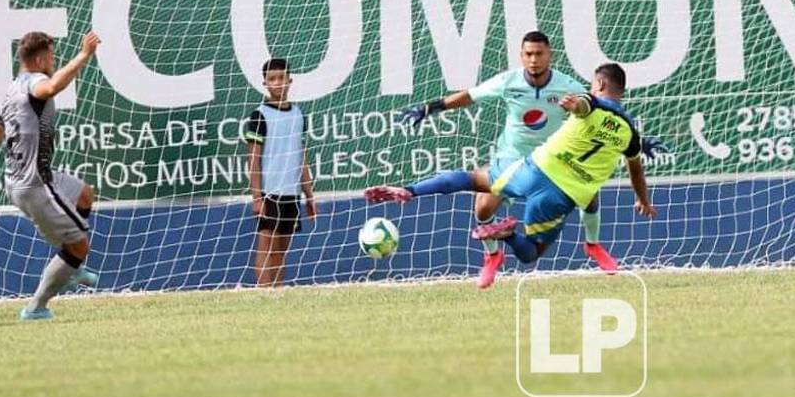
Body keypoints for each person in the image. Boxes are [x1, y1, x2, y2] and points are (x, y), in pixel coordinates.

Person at [366, 63, 656, 282]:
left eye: (594, 84)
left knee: (470, 179)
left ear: (600, 83)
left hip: (535, 169)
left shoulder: (590, 100)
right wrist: (642, 200)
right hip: (561, 195)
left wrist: (578, 104)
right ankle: (506, 236)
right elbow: (636, 170)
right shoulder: (630, 131)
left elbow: (586, 105)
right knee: (530, 253)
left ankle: (411, 190)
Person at [0, 32, 103, 320]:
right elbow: (52, 87)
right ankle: (36, 307)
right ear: (41, 59)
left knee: (83, 193)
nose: (53, 62)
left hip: (25, 178)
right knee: (79, 246)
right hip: (34, 184)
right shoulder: (36, 83)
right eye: (52, 57)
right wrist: (84, 55)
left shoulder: (10, 92)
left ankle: (70, 267)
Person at [244, 58, 316, 287]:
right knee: (267, 246)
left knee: (282, 250)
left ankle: (278, 292)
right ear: (265, 83)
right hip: (269, 192)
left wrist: (309, 195)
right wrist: (257, 197)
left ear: (290, 80)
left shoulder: (298, 114)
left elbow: (301, 156)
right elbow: (253, 160)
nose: (278, 83)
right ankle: (264, 293)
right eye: (272, 79)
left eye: (281, 78)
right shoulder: (259, 115)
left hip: (291, 193)